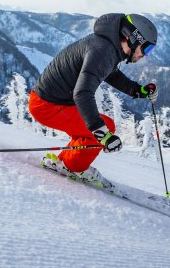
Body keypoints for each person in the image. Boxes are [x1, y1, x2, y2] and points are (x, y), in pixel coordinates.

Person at [28, 13, 159, 182]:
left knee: (94, 130)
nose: (145, 55)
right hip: (47, 106)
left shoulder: (107, 47)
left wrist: (137, 90)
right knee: (105, 127)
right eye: (146, 48)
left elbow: (110, 74)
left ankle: (65, 163)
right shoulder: (102, 51)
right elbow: (82, 93)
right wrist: (101, 133)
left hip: (51, 101)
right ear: (132, 39)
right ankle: (71, 167)